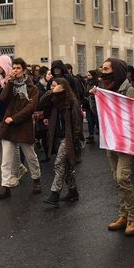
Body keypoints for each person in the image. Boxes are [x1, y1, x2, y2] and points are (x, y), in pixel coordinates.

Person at [94, 58, 134, 236]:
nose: (103, 72)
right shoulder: (105, 89)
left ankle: (133, 218)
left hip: (125, 143)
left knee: (123, 178)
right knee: (116, 179)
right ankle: (123, 215)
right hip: (110, 140)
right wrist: (94, 98)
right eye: (102, 68)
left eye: (106, 69)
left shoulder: (129, 90)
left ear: (116, 70)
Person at [0, 58, 42, 199]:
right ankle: (6, 186)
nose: (15, 70)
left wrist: (14, 118)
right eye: (13, 68)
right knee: (6, 159)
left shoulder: (32, 88)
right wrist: (9, 82)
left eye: (18, 68)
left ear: (24, 70)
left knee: (30, 156)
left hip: (23, 126)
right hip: (8, 127)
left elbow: (30, 108)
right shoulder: (11, 84)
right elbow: (2, 98)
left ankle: (36, 179)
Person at [40, 78, 83, 206]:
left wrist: (73, 141)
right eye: (51, 86)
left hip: (68, 139)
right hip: (57, 137)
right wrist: (51, 92)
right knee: (68, 167)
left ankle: (55, 193)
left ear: (63, 87)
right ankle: (73, 191)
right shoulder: (54, 101)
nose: (52, 88)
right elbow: (41, 103)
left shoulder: (72, 102)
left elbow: (77, 124)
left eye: (55, 85)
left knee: (59, 164)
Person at [83, 69, 99, 144]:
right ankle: (91, 135)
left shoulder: (97, 83)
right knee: (89, 120)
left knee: (96, 120)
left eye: (89, 75)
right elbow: (85, 92)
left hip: (95, 104)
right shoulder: (87, 83)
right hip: (87, 104)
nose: (88, 76)